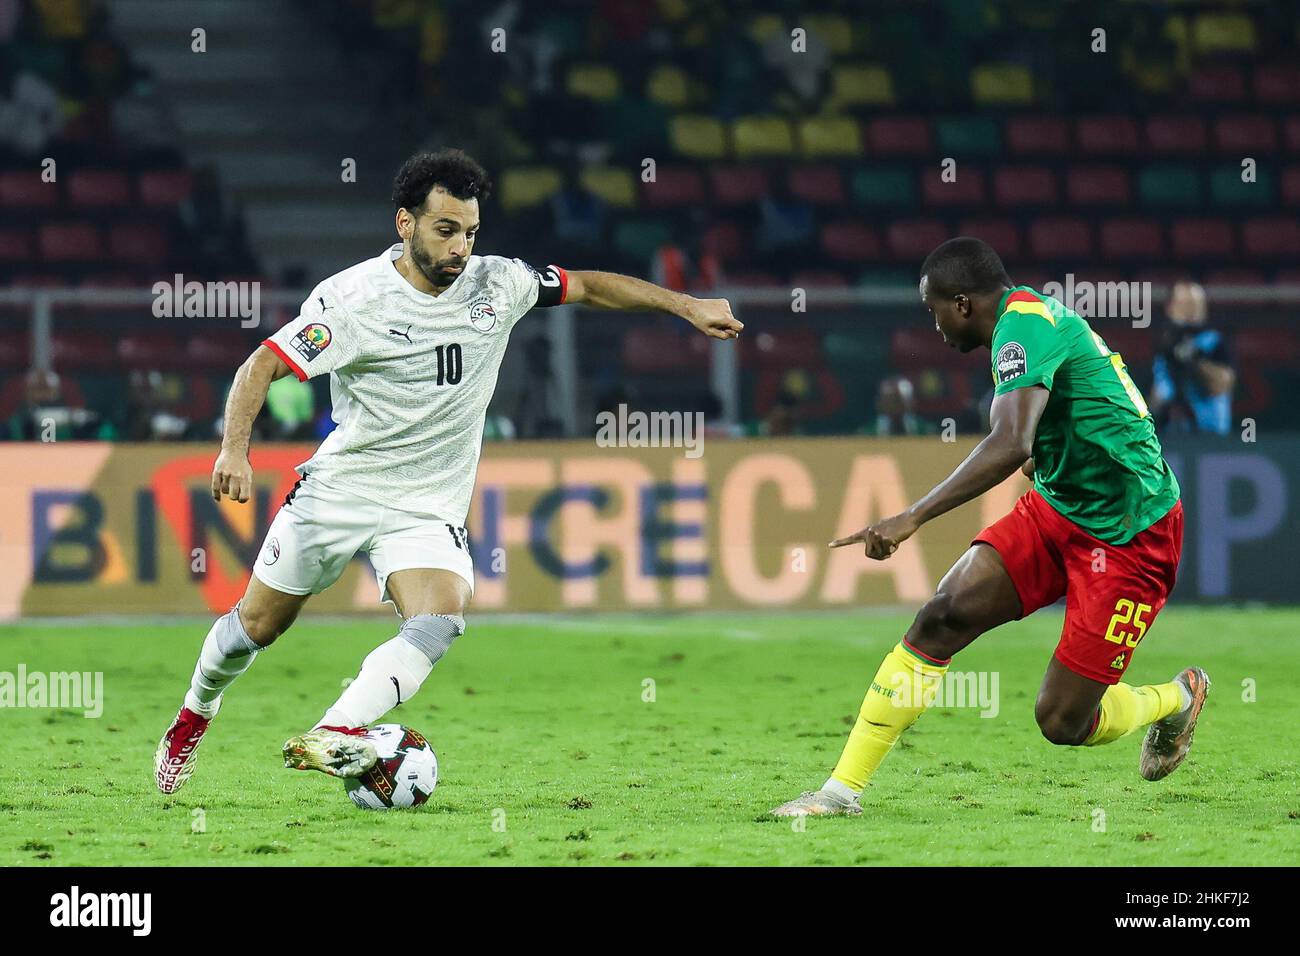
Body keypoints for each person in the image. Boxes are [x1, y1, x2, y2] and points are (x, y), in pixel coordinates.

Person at [154, 148, 742, 794]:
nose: (461, 247)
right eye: (445, 230)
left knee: (442, 614)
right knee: (256, 627)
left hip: (427, 505)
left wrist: (685, 306)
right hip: (342, 488)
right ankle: (193, 715)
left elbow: (588, 286)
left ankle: (337, 730)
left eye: (469, 231)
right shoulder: (352, 301)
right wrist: (233, 449)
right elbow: (258, 366)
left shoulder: (498, 284)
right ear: (404, 225)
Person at [772, 237, 1207, 817]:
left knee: (1062, 720)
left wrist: (911, 516)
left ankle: (1177, 698)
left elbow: (1008, 444)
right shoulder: (1023, 324)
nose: (933, 326)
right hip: (1060, 509)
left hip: (1132, 535)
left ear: (962, 303)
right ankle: (839, 792)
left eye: (933, 310)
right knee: (942, 613)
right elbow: (1038, 439)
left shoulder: (1023, 328)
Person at [1150, 280, 1234, 435]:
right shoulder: (1164, 344)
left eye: (1195, 305)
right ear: (1170, 308)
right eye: (1185, 304)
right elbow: (1156, 395)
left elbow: (1222, 384)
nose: (1190, 311)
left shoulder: (1213, 340)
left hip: (1210, 431)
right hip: (1171, 432)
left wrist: (1194, 361)